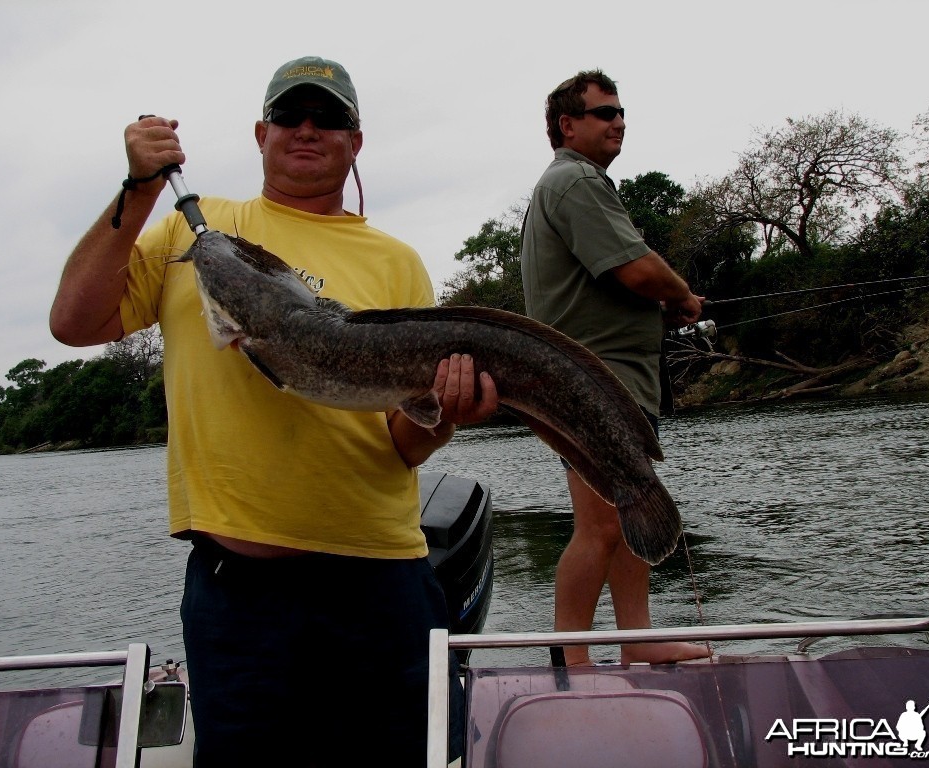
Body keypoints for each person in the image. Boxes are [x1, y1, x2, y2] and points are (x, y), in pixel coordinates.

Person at [49, 56, 497, 766]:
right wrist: (138, 192)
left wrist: (443, 412)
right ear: (261, 133)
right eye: (290, 115)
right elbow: (73, 322)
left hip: (378, 583)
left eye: (329, 118)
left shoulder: (396, 260)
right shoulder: (197, 234)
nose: (307, 129)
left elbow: (401, 444)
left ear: (356, 141)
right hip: (239, 597)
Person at [520, 69, 712, 667]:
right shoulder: (575, 180)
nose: (618, 121)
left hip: (613, 381)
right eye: (604, 112)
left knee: (632, 507)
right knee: (601, 526)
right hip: (590, 384)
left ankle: (637, 640)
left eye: (621, 111)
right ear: (566, 125)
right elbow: (639, 270)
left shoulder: (576, 184)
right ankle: (572, 659)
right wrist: (680, 295)